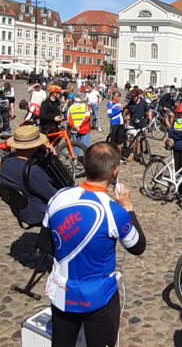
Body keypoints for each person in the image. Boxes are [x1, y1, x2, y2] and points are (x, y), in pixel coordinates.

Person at [43, 142, 146, 347]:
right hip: (100, 297)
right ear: (114, 172)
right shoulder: (114, 212)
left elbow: (45, 244)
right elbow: (137, 246)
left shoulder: (58, 197)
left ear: (86, 166)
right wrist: (128, 208)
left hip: (63, 293)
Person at [0, 125, 56, 225]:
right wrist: (54, 159)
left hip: (21, 208)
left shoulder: (5, 163)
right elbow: (53, 195)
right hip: (37, 212)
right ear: (34, 147)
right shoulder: (32, 170)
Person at [106, 91, 125, 156]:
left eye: (119, 96)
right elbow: (109, 115)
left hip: (121, 123)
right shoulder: (109, 104)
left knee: (120, 141)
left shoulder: (119, 104)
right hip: (114, 123)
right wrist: (119, 110)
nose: (119, 98)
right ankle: (111, 155)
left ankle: (119, 156)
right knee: (113, 141)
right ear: (113, 96)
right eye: (118, 96)